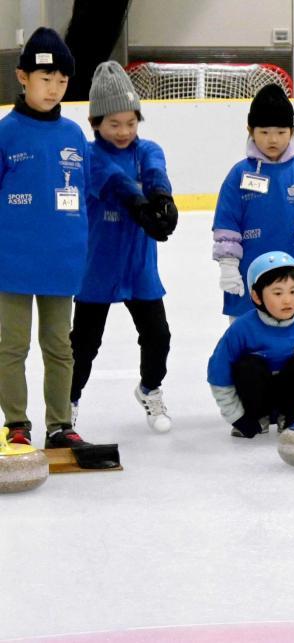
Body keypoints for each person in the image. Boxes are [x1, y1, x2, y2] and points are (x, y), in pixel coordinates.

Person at [70, 61, 178, 433]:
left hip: (139, 267)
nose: (123, 131)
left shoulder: (146, 149)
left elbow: (154, 169)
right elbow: (113, 182)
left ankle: (150, 388)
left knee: (158, 337)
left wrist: (162, 198)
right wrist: (139, 204)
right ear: (95, 123)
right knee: (83, 345)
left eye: (131, 123)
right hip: (97, 267)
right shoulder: (87, 154)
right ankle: (66, 404)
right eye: (114, 124)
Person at [0, 28, 90, 448]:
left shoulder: (74, 136)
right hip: (12, 263)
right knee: (11, 346)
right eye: (45, 78)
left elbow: (84, 198)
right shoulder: (6, 133)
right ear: (23, 77)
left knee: (60, 347)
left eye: (62, 80)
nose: (53, 88)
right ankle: (16, 424)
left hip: (61, 262)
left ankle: (59, 424)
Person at [212, 84, 294, 319]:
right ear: (250, 130)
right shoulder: (239, 175)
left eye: (280, 132)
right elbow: (227, 225)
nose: (273, 140)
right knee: (247, 346)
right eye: (264, 132)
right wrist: (228, 268)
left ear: (292, 131)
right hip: (250, 280)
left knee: (293, 347)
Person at [207, 251, 294, 438]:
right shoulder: (241, 329)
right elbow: (218, 374)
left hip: (293, 403)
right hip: (255, 403)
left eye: (293, 291)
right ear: (256, 296)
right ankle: (259, 417)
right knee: (248, 366)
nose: (287, 300)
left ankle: (290, 416)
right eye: (278, 293)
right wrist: (238, 417)